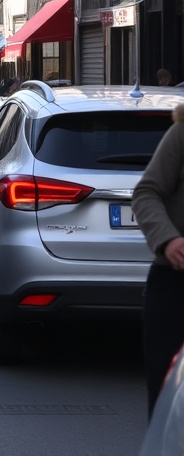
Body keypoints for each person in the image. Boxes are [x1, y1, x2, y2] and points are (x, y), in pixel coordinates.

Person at [132, 102, 184, 417]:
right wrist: (168, 239)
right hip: (175, 285)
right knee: (168, 399)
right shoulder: (181, 133)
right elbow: (146, 192)